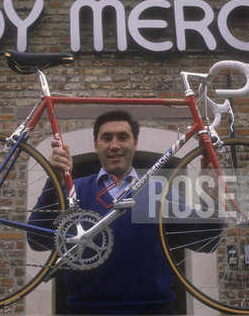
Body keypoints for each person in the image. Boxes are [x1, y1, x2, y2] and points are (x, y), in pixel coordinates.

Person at [29, 110, 222, 314]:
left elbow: (206, 240)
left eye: (123, 137)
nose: (114, 145)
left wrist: (210, 195)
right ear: (96, 145)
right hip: (86, 310)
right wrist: (53, 183)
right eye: (106, 138)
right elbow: (37, 240)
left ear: (135, 144)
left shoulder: (157, 190)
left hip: (153, 310)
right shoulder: (76, 190)